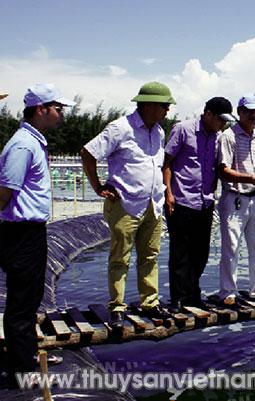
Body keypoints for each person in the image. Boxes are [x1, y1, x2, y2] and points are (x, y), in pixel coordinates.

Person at [80, 82, 175, 327]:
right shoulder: (120, 128)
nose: (167, 110)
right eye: (164, 106)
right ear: (149, 105)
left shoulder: (159, 131)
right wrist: (98, 187)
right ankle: (117, 306)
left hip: (153, 203)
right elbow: (88, 153)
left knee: (150, 256)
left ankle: (150, 302)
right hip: (125, 203)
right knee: (120, 257)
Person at [0, 84, 74, 381]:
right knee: (21, 303)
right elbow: (5, 191)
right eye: (58, 109)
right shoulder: (22, 145)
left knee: (30, 300)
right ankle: (24, 371)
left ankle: (27, 354)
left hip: (30, 232)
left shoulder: (33, 142)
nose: (61, 115)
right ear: (41, 109)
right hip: (21, 233)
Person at [162, 97, 236, 312]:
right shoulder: (183, 130)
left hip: (205, 201)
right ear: (208, 114)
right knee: (180, 252)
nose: (223, 124)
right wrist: (168, 193)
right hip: (182, 199)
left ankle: (193, 294)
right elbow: (167, 163)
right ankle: (177, 297)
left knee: (200, 252)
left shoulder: (218, 137)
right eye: (220, 119)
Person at [216, 93, 255, 305]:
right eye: (249, 111)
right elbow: (223, 170)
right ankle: (228, 292)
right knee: (231, 247)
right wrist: (249, 177)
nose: (254, 115)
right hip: (234, 197)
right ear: (239, 112)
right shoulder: (228, 136)